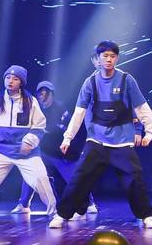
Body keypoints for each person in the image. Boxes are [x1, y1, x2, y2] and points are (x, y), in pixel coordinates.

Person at [48, 40, 152, 229]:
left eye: (112, 56)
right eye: (105, 56)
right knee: (79, 178)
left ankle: (146, 216)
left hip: (122, 142)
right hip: (96, 141)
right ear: (98, 59)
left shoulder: (126, 80)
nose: (108, 59)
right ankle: (62, 214)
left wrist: (149, 131)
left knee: (135, 180)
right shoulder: (90, 82)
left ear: (117, 58)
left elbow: (141, 107)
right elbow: (79, 113)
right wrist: (68, 138)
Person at [0, 65, 57, 221]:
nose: (10, 81)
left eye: (15, 79)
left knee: (42, 180)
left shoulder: (30, 101)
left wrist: (29, 142)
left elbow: (39, 126)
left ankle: (54, 214)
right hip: (2, 151)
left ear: (21, 82)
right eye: (8, 78)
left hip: (27, 153)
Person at [11, 80, 97, 215]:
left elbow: (62, 131)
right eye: (39, 93)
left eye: (44, 93)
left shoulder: (60, 109)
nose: (41, 96)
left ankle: (90, 203)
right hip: (43, 152)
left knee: (73, 178)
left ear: (51, 94)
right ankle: (24, 204)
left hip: (61, 153)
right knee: (29, 171)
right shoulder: (36, 109)